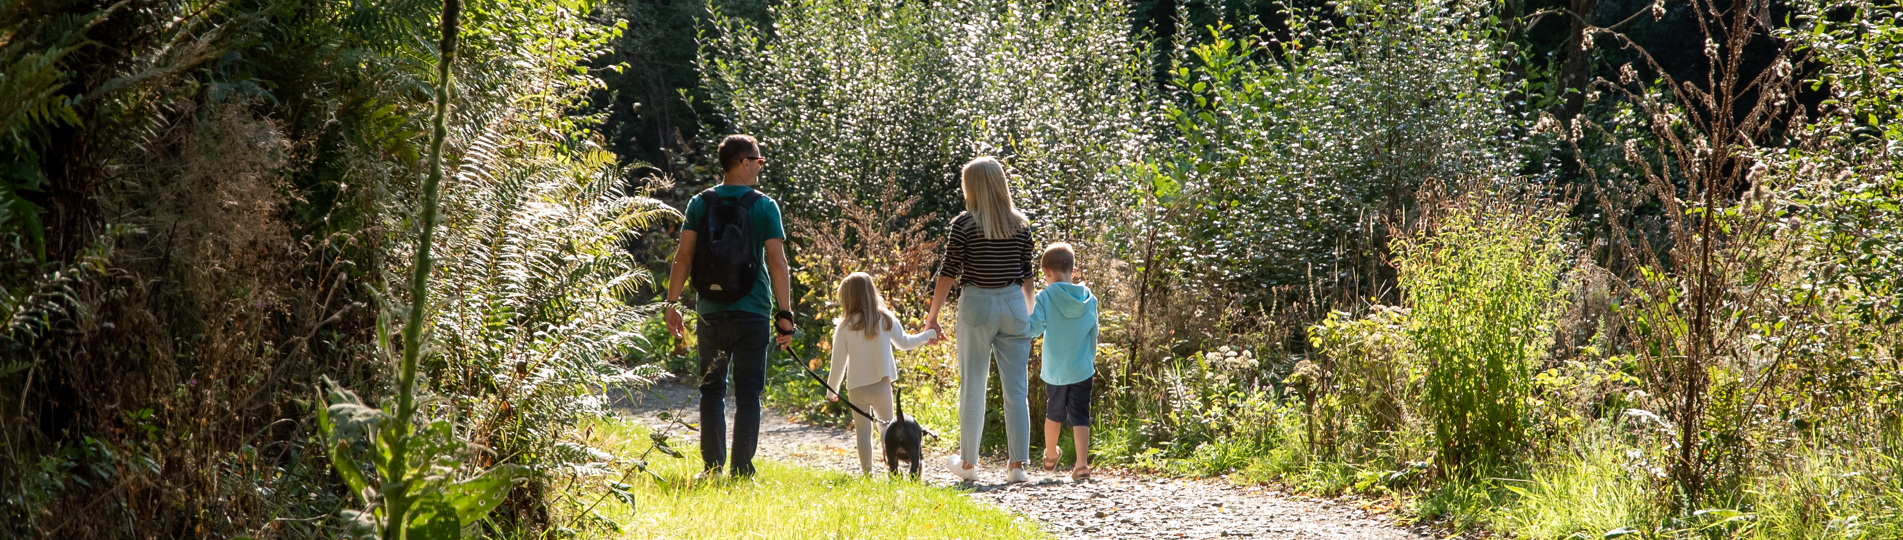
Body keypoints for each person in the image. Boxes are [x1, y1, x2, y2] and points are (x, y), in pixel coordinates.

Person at [662, 134, 797, 478]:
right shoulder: (764, 205)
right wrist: (785, 313)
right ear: (742, 162)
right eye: (759, 160)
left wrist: (672, 303)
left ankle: (712, 469)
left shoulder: (699, 203)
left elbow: (684, 257)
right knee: (749, 393)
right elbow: (777, 262)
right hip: (752, 311)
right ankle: (742, 471)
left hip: (710, 312)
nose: (761, 165)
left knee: (712, 390)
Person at [924, 156, 1036, 483]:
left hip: (977, 303)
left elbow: (948, 273)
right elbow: (1027, 276)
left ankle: (969, 466)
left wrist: (933, 316)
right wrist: (1027, 314)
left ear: (971, 186)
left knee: (973, 384)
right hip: (1015, 303)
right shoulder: (1021, 224)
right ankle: (1017, 466)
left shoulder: (965, 224)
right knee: (1017, 389)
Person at [824, 273, 938, 474]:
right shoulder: (885, 319)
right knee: (887, 429)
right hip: (881, 385)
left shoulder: (843, 327)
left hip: (856, 388)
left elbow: (838, 363)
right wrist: (928, 335)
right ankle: (892, 468)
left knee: (862, 432)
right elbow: (905, 343)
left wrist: (832, 389)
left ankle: (867, 473)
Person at [1025, 242, 1099, 481]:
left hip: (1055, 371)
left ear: (1046, 272)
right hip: (1082, 369)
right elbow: (1093, 334)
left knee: (1054, 413)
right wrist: (1091, 361)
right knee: (1080, 415)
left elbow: (1034, 329)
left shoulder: (1045, 297)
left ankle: (1050, 455)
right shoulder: (1090, 299)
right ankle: (1081, 465)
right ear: (1073, 271)